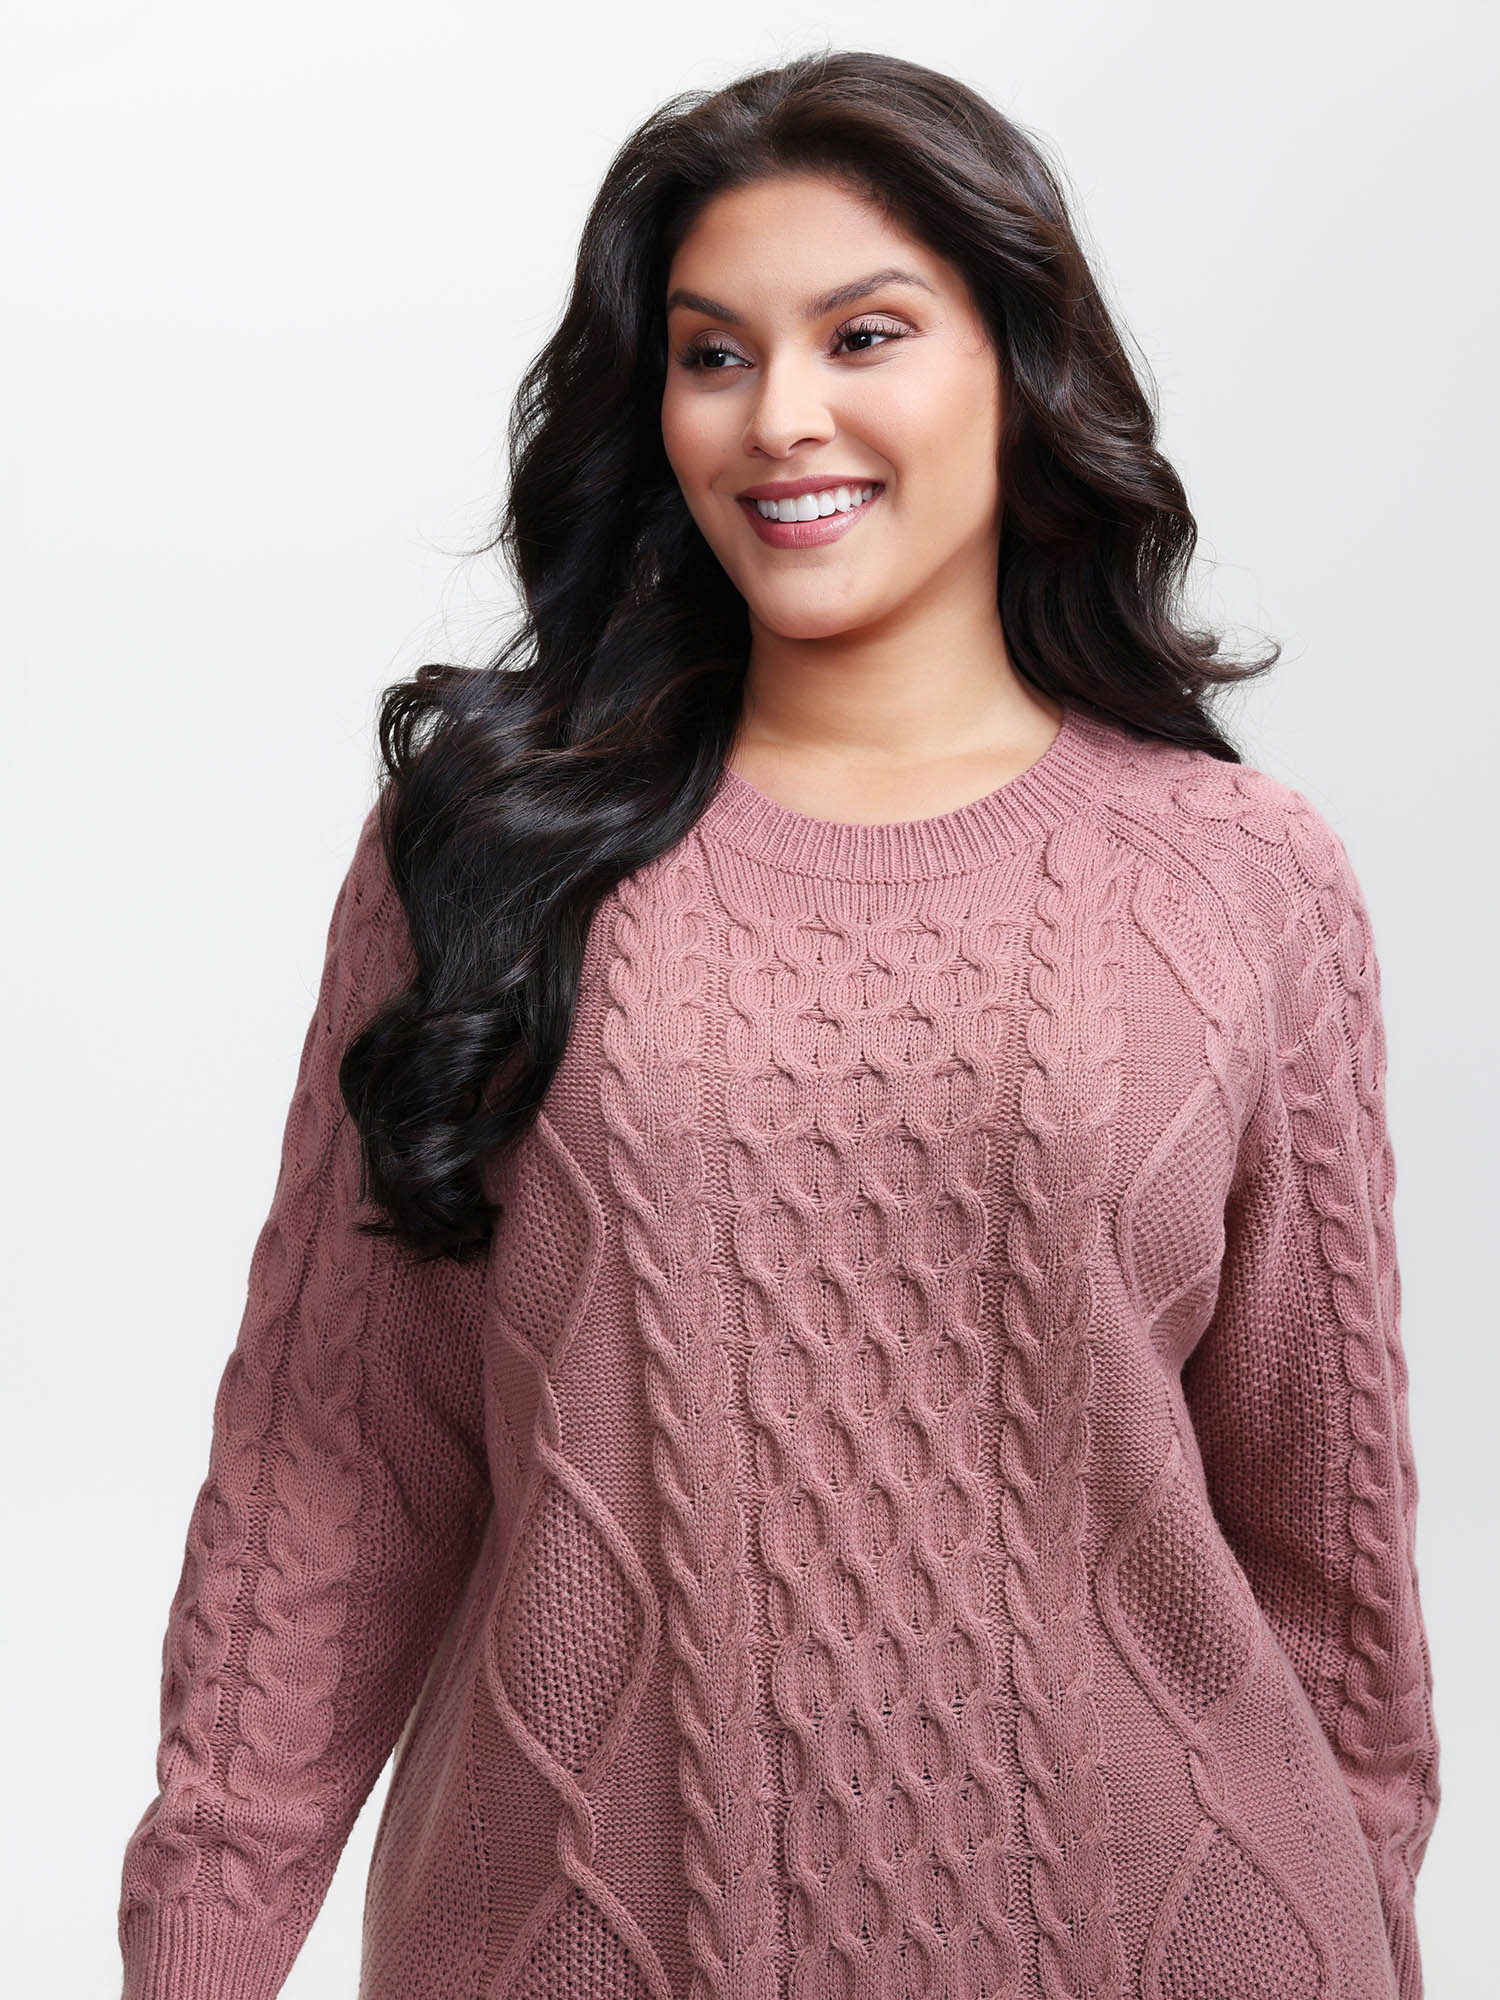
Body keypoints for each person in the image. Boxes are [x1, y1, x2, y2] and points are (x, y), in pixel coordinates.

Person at [117, 47, 1440, 2000]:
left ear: (1020, 368)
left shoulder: (1243, 879)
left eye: (863, 334)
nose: (782, 414)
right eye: (714, 355)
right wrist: (199, 1950)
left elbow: (1331, 1561)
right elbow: (332, 1472)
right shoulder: (492, 854)